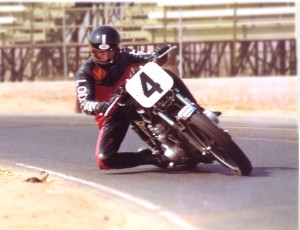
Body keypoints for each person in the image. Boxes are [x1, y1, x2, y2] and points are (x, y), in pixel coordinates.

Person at [75, 25, 171, 170]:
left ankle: (196, 111)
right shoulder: (85, 70)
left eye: (110, 51)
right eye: (100, 53)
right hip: (111, 113)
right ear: (92, 51)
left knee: (168, 75)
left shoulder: (125, 55)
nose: (105, 57)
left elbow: (152, 58)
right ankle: (148, 157)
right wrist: (101, 106)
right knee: (104, 160)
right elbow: (84, 103)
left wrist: (161, 53)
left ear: (118, 49)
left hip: (134, 96)